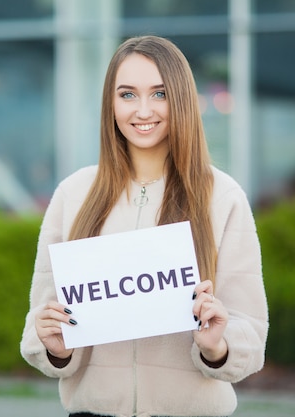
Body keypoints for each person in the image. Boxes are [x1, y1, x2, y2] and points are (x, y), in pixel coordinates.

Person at [20, 35, 268, 417]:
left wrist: (217, 347)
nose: (143, 110)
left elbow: (250, 330)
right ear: (111, 103)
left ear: (181, 99)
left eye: (159, 93)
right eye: (128, 95)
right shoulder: (73, 194)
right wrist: (55, 346)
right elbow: (41, 322)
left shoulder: (222, 196)